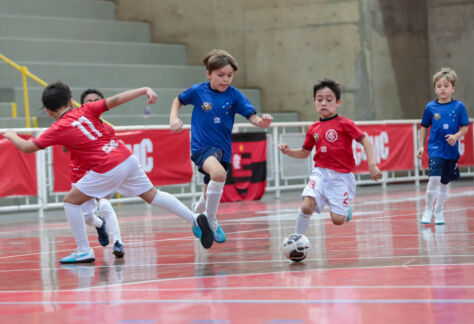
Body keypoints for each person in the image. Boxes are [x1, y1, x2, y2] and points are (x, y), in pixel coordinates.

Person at [3, 81, 214, 264]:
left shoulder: (57, 128)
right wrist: (144, 90)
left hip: (107, 166)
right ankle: (194, 218)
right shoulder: (86, 109)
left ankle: (83, 250)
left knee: (70, 201)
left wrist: (11, 134)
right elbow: (117, 99)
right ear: (70, 102)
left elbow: (28, 147)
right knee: (153, 195)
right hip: (125, 156)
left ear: (48, 112)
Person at [169, 49, 273, 244]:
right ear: (209, 73)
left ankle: (198, 210)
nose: (225, 80)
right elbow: (178, 100)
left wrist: (262, 123)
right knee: (219, 175)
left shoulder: (234, 95)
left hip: (223, 150)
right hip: (201, 148)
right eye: (220, 75)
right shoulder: (198, 91)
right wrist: (174, 117)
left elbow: (252, 116)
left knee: (211, 188)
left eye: (229, 76)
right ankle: (210, 219)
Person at [278, 78, 382, 235]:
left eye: (329, 99)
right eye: (319, 100)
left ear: (338, 102)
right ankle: (297, 238)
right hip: (320, 172)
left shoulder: (345, 123)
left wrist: (372, 165)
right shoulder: (313, 128)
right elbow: (305, 152)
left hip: (341, 177)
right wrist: (289, 151)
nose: (323, 103)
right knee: (307, 205)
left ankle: (343, 206)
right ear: (314, 101)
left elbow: (365, 140)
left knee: (337, 220)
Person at [71, 88, 125, 258]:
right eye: (89, 101)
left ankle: (118, 242)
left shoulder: (107, 129)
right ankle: (99, 224)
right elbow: (65, 147)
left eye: (96, 100)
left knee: (104, 204)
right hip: (80, 174)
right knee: (87, 217)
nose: (93, 103)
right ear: (82, 105)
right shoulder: (74, 125)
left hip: (101, 172)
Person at [417, 67, 469, 225]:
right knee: (434, 177)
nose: (442, 89)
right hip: (435, 149)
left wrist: (456, 136)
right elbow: (424, 126)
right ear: (435, 88)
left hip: (451, 151)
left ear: (452, 88)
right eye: (439, 86)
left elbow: (465, 128)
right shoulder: (430, 107)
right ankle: (428, 209)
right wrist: (421, 146)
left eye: (446, 86)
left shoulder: (459, 107)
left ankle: (439, 210)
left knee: (445, 182)